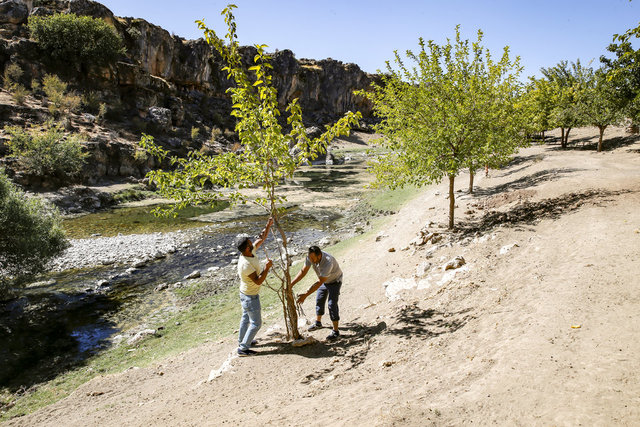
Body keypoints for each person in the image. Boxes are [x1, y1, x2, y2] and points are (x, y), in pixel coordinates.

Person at [235, 217, 274, 356]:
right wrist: (267, 268)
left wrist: (268, 225)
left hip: (245, 293)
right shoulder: (245, 264)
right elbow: (258, 281)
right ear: (247, 248)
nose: (253, 242)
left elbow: (261, 238)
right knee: (256, 323)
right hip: (250, 296)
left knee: (245, 318)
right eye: (250, 242)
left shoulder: (250, 252)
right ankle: (243, 348)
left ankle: (243, 341)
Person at [292, 245, 343, 340]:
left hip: (334, 281)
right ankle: (318, 323)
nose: (311, 260)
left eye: (313, 258)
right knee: (319, 300)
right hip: (324, 281)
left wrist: (306, 295)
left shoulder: (328, 262)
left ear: (319, 255)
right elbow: (303, 271)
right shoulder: (310, 257)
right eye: (310, 258)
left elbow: (320, 282)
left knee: (332, 304)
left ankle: (336, 331)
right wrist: (291, 284)